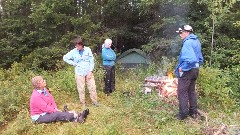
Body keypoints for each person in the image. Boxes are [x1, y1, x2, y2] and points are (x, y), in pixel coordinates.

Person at [174, 25, 203, 120]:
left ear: (187, 32)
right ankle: (193, 112)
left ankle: (183, 114)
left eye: (181, 32)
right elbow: (200, 59)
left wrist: (183, 68)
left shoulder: (187, 43)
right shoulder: (196, 41)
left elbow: (191, 59)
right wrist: (196, 66)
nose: (180, 35)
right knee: (191, 91)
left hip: (188, 70)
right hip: (195, 70)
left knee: (182, 92)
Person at [63, 37, 99, 106]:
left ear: (81, 44)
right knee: (81, 88)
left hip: (88, 72)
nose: (76, 47)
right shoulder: (73, 51)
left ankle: (95, 102)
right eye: (75, 46)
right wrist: (73, 63)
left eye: (77, 45)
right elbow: (65, 57)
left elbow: (91, 60)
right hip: (79, 72)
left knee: (92, 87)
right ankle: (83, 103)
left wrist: (90, 71)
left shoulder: (88, 49)